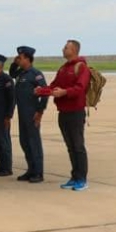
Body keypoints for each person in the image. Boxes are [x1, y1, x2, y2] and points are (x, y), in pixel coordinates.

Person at [37, 39, 91, 191]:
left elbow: (80, 88)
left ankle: (82, 179)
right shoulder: (63, 68)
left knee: (78, 146)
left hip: (75, 112)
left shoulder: (81, 67)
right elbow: (53, 86)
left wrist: (65, 92)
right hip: (63, 112)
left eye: (66, 47)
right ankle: (74, 177)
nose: (63, 49)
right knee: (70, 146)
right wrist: (41, 91)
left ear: (74, 50)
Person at [13, 46, 47, 183]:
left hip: (32, 113)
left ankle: (38, 172)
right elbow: (11, 72)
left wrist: (40, 112)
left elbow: (45, 93)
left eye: (20, 58)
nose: (18, 60)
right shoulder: (21, 73)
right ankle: (31, 170)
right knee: (25, 142)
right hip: (22, 113)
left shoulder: (35, 74)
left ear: (27, 58)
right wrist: (15, 63)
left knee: (34, 143)